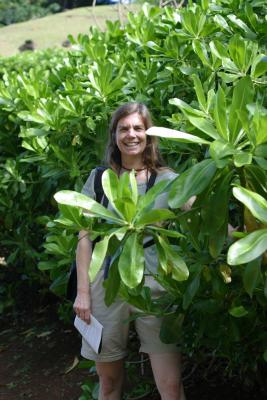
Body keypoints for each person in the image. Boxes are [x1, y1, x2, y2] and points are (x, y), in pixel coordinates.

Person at [73, 102, 186, 400]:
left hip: (156, 287)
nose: (131, 135)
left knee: (171, 387)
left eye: (138, 128)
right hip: (105, 287)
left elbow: (201, 213)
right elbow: (84, 238)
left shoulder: (166, 180)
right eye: (124, 128)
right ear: (114, 135)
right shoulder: (99, 179)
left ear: (149, 135)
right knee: (109, 385)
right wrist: (83, 293)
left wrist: (241, 237)